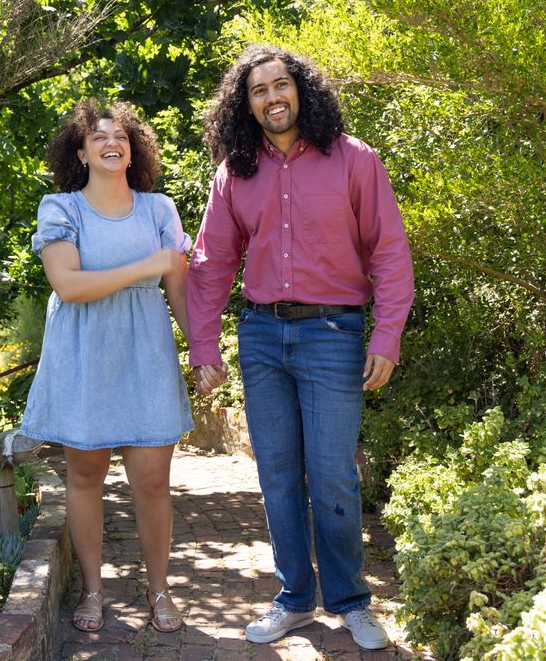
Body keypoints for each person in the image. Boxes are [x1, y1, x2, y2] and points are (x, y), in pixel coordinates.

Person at [186, 44, 414, 650]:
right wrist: (203, 346)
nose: (271, 98)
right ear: (246, 105)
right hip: (261, 335)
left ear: (301, 89)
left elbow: (389, 252)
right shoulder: (236, 171)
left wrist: (386, 335)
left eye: (279, 85)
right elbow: (211, 264)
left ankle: (351, 601)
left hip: (333, 334)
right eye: (257, 91)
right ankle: (293, 598)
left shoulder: (354, 160)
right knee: (278, 475)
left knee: (334, 476)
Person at [20, 98, 192, 634]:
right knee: (86, 476)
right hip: (83, 356)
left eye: (120, 135)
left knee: (152, 483)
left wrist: (205, 351)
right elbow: (69, 286)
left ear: (133, 147)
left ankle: (160, 591)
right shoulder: (61, 208)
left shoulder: (159, 210)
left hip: (147, 356)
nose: (111, 142)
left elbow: (181, 294)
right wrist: (149, 264)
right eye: (98, 137)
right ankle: (94, 593)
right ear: (81, 151)